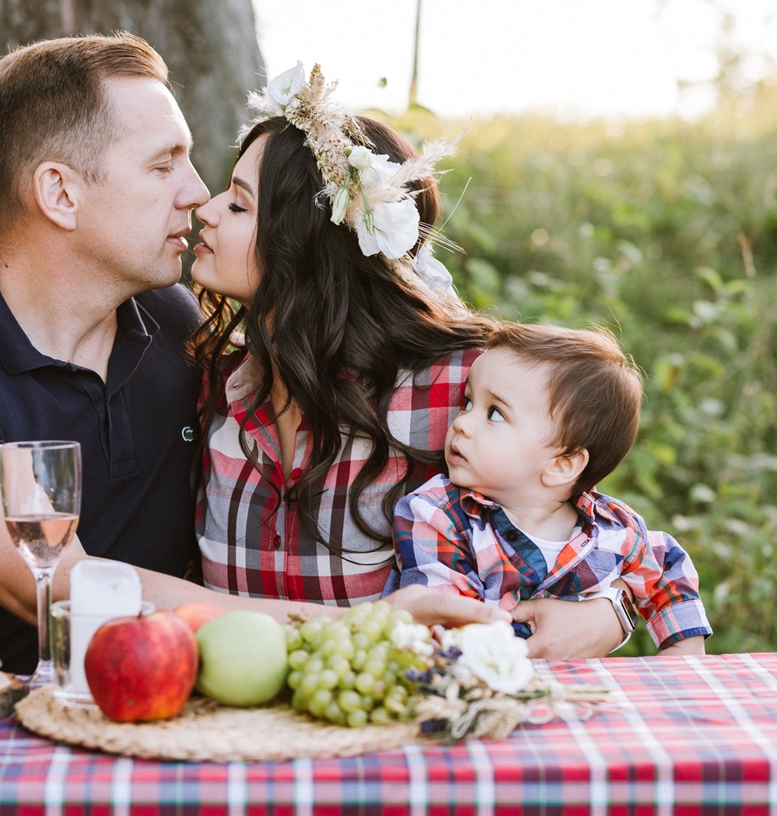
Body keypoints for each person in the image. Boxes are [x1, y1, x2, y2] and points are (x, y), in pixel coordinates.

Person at [0, 37, 501, 675]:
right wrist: (364, 628)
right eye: (163, 164)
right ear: (60, 193)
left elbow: (343, 347)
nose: (197, 193)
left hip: (168, 721)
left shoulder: (177, 326)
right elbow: (58, 584)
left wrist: (600, 599)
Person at [189, 63, 628, 658]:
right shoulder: (214, 382)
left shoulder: (454, 388)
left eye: (239, 206)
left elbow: (572, 505)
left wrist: (611, 607)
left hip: (405, 728)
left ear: (307, 244)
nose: (206, 211)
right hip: (239, 720)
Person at [386, 323, 712, 654]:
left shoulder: (611, 530)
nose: (460, 423)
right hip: (472, 685)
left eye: (495, 413)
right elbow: (443, 616)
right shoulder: (438, 514)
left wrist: (684, 654)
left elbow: (668, 564)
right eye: (468, 402)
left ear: (561, 465)